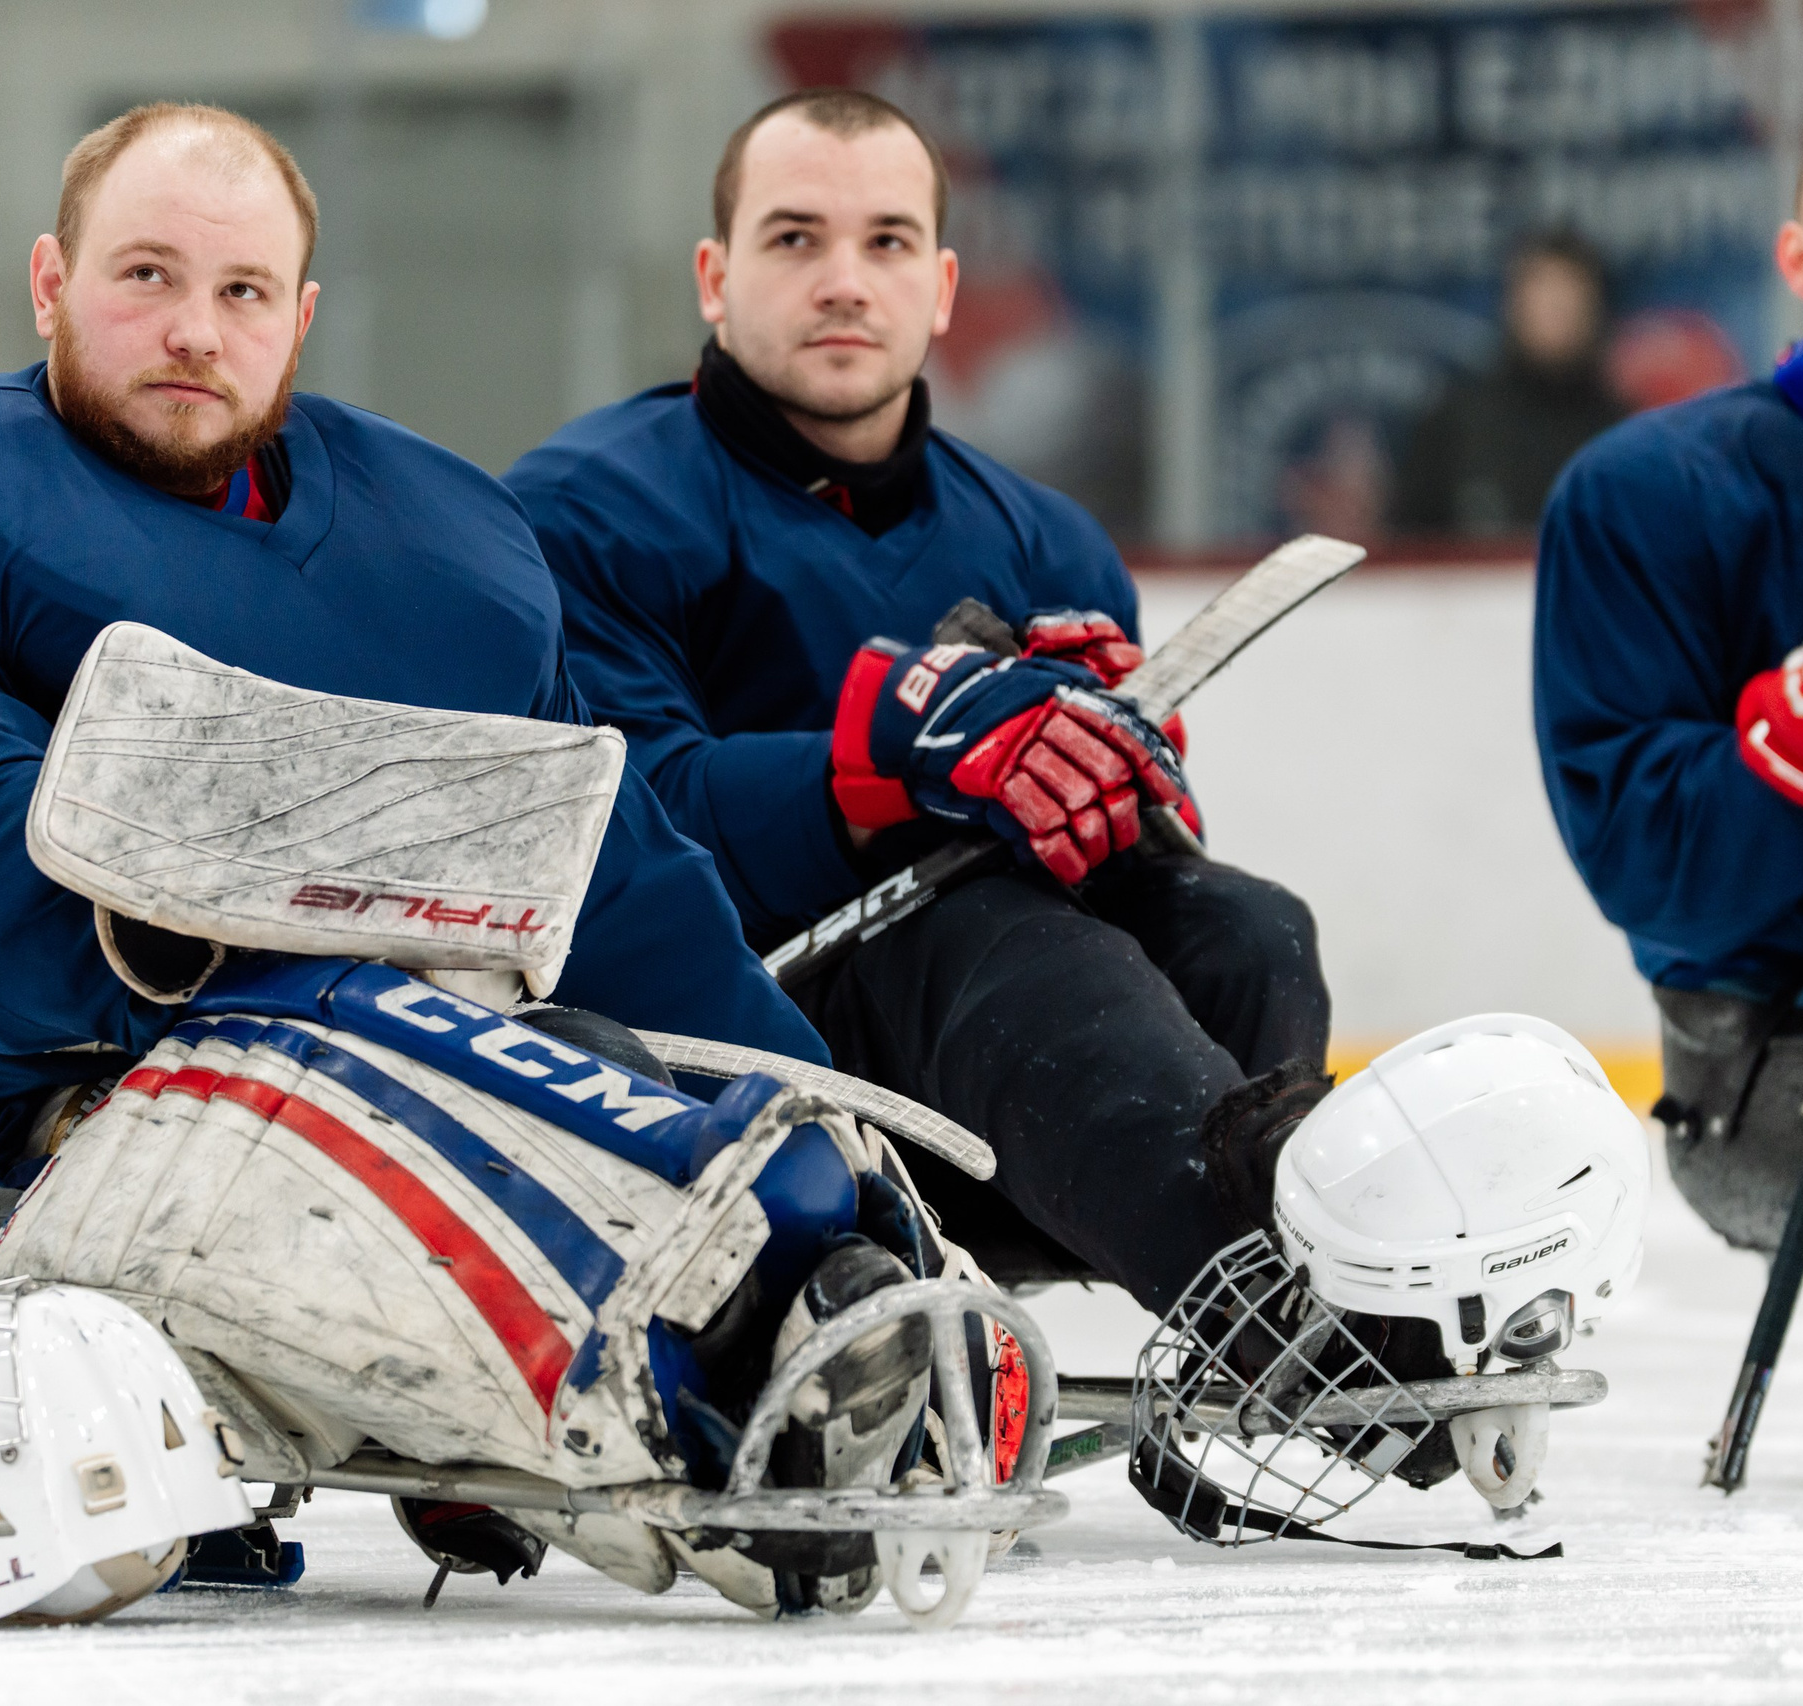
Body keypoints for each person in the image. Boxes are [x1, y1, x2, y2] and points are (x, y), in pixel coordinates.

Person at [0, 101, 823, 1216]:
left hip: (402, 1084)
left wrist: (809, 1113)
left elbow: (602, 870)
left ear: (298, 321)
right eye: (147, 275)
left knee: (726, 1182)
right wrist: (361, 998)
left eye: (242, 291)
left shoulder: (456, 549)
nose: (196, 332)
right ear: (51, 284)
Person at [503, 89, 1332, 1321]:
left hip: (1000, 1092)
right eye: (794, 239)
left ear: (940, 288)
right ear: (714, 276)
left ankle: (1314, 1236)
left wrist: (1118, 783)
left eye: (885, 242)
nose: (844, 280)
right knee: (997, 939)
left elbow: (1126, 875)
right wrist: (878, 757)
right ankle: (1285, 1316)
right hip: (741, 1052)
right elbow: (614, 831)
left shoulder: (1047, 539)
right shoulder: (585, 509)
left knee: (1248, 928)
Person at [1535, 139, 1803, 1256]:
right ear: (1797, 260)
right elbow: (1640, 851)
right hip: (1774, 1065)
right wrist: (1792, 759)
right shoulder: (1646, 493)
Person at [1394, 231, 1627, 539]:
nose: (1555, 307)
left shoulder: (1623, 439)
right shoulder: (1456, 424)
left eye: (1570, 291)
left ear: (1596, 308)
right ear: (1512, 304)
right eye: (1541, 288)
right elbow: (1403, 554)